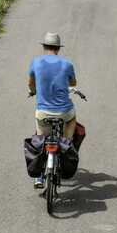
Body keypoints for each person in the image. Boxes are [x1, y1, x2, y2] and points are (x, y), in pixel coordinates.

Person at [27, 31, 78, 189]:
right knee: (71, 120)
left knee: (41, 138)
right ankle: (66, 144)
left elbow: (31, 83)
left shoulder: (36, 62)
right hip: (64, 112)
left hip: (43, 113)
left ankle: (39, 177)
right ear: (58, 48)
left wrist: (34, 91)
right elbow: (73, 83)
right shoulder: (67, 64)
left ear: (44, 46)